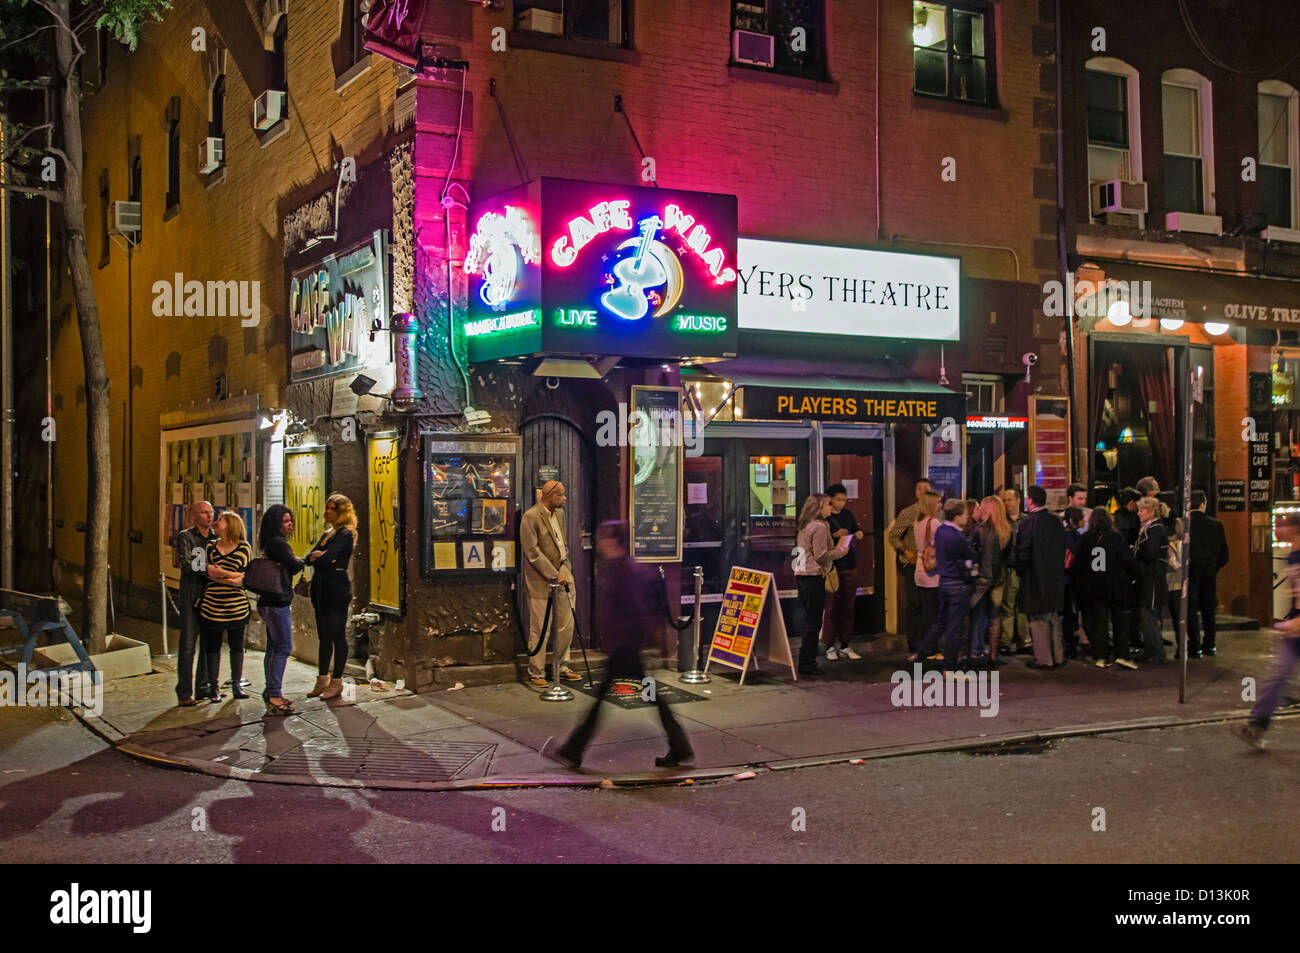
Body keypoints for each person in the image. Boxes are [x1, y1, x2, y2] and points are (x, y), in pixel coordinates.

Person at [545, 521, 693, 769]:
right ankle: (679, 746)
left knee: (621, 696)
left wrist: (623, 642)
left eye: (604, 538)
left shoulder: (628, 571)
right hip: (628, 647)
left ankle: (574, 748)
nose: (600, 543)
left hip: (627, 648)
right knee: (648, 695)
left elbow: (635, 610)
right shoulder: (620, 568)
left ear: (615, 542)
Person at [1232, 513, 1300, 749]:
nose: (1276, 529)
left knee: (1278, 677)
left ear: (1293, 528)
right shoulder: (1292, 556)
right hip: (1295, 630)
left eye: (1281, 525)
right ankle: (1257, 726)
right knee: (1277, 677)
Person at [521, 480, 580, 687]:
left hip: (563, 569)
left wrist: (565, 568)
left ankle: (561, 666)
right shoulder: (531, 517)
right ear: (548, 496)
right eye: (561, 495)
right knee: (540, 627)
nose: (564, 499)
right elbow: (532, 552)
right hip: (540, 578)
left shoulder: (560, 514)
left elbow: (560, 542)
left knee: (566, 622)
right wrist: (553, 574)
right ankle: (536, 672)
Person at [910, 499, 979, 673]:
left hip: (944, 582)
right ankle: (949, 667)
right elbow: (971, 555)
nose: (967, 517)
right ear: (956, 516)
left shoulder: (941, 530)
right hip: (958, 584)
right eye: (964, 514)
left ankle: (920, 653)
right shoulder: (956, 536)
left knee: (940, 622)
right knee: (954, 627)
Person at [1073, 507, 1139, 669]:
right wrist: (1133, 576)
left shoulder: (1086, 538)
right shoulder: (1117, 537)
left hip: (1094, 587)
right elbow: (1127, 561)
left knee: (1099, 623)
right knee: (1120, 622)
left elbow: (1078, 564)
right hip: (1116, 585)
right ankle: (1122, 654)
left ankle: (1101, 656)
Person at [795, 493, 853, 676]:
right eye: (828, 505)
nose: (831, 508)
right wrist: (841, 551)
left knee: (810, 620)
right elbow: (821, 555)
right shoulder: (819, 527)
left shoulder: (806, 526)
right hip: (813, 576)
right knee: (814, 622)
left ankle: (806, 660)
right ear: (819, 508)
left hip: (802, 575)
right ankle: (807, 663)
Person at [307, 492, 357, 700]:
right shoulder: (327, 533)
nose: (327, 512)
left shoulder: (345, 534)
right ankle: (322, 678)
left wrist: (320, 557)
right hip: (321, 589)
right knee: (324, 636)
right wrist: (318, 557)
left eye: (332, 509)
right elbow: (308, 558)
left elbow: (325, 558)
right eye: (327, 508)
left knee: (337, 634)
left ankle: (337, 680)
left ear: (341, 512)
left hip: (336, 590)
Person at [199, 510, 252, 703]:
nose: (216, 521)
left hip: (236, 606)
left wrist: (221, 572)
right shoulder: (210, 548)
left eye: (220, 519)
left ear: (230, 525)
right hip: (212, 606)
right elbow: (207, 573)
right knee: (213, 648)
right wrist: (232, 576)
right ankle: (214, 687)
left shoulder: (244, 547)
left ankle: (236, 685)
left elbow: (245, 577)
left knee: (236, 646)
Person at [257, 504, 305, 716]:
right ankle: (275, 694)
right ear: (277, 524)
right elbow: (294, 566)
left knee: (273, 647)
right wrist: (305, 560)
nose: (290, 524)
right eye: (286, 521)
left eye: (290, 520)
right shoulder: (279, 544)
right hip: (277, 603)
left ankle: (271, 691)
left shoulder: (269, 543)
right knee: (283, 647)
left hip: (267, 602)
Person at [1016, 485, 1066, 669]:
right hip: (1055, 576)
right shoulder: (1056, 520)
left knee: (1037, 619)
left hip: (1035, 577)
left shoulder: (1028, 522)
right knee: (1052, 616)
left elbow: (1023, 552)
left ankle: (1044, 658)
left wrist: (1020, 569)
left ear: (1030, 500)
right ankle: (1058, 655)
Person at [175, 500, 217, 706]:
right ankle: (184, 691)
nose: (209, 516)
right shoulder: (187, 536)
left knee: (209, 645)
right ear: (195, 515)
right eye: (204, 512)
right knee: (188, 645)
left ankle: (204, 686)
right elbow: (189, 564)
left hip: (210, 598)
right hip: (191, 596)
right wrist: (212, 570)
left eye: (211, 512)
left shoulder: (217, 538)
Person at [887, 478, 933, 648]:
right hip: (912, 563)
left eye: (925, 489)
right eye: (918, 488)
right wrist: (905, 550)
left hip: (931, 565)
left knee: (928, 605)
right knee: (914, 603)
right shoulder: (908, 513)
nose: (921, 492)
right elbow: (893, 535)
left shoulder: (936, 512)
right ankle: (914, 642)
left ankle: (928, 641)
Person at [823, 483, 865, 661]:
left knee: (848, 607)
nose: (841, 503)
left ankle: (845, 644)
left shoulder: (847, 515)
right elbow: (820, 542)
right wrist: (834, 535)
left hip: (849, 564)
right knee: (832, 607)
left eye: (844, 500)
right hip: (833, 568)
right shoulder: (824, 518)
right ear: (830, 499)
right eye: (838, 500)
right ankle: (829, 645)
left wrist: (858, 533)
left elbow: (855, 529)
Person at [1187, 489, 1229, 657]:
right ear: (1203, 504)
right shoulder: (1216, 525)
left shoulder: (1185, 523)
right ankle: (1209, 644)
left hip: (1190, 571)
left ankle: (1194, 646)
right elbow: (1224, 554)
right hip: (1210, 572)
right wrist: (1214, 567)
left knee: (1190, 610)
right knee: (1208, 609)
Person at [972, 495, 1012, 667]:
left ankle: (976, 650)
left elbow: (974, 553)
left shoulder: (979, 529)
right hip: (1000, 577)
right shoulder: (1007, 530)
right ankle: (993, 655)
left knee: (976, 615)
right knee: (995, 617)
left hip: (982, 577)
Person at [1133, 496, 1169, 664]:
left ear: (1152, 511)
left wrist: (1134, 550)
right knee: (1145, 615)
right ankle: (1150, 650)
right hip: (1147, 577)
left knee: (1149, 614)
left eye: (1142, 510)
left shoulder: (1155, 529)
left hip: (1152, 578)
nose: (1139, 513)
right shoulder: (1148, 528)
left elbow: (1150, 553)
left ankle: (1157, 652)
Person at [998, 487, 1031, 655]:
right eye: (1004, 500)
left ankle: (1025, 640)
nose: (1006, 503)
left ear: (1018, 500)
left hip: (1024, 568)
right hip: (1009, 568)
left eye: (1009, 499)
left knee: (1024, 605)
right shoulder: (1001, 521)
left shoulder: (1027, 520)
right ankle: (1006, 640)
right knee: (1008, 605)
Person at [911, 490, 942, 654]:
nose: (940, 505)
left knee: (925, 611)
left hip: (920, 568)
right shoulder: (934, 522)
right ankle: (930, 648)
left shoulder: (917, 521)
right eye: (938, 502)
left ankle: (921, 644)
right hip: (932, 572)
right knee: (932, 613)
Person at [1062, 506, 1085, 658]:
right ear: (1072, 520)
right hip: (1069, 578)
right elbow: (1078, 552)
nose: (1084, 520)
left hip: (1067, 577)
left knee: (1069, 612)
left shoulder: (1067, 534)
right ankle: (1069, 644)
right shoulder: (1072, 535)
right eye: (1081, 517)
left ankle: (1070, 642)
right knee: (1069, 612)